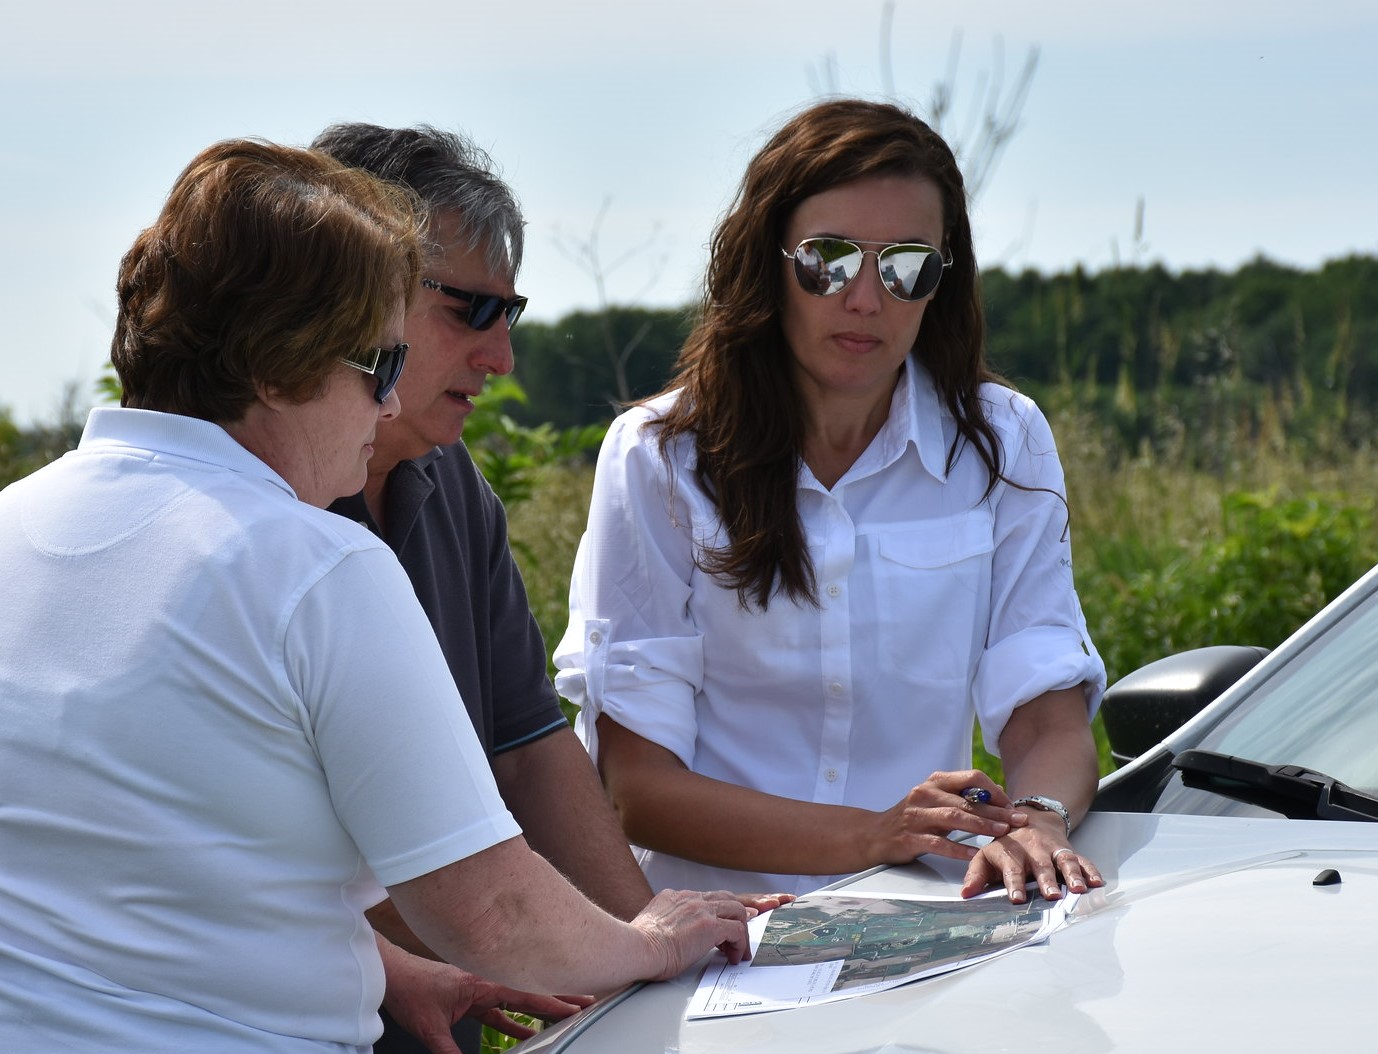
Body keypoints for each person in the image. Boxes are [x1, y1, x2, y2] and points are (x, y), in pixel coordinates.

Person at [0, 139, 751, 1053]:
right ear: (278, 365)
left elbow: (135, 861)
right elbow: (491, 913)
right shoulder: (316, 563)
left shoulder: (16, 525)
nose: (390, 410)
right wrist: (651, 945)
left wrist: (384, 972)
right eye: (379, 369)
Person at [554, 99, 1109, 902]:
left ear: (940, 284)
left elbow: (1046, 713)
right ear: (767, 264)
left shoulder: (1003, 440)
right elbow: (633, 788)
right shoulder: (660, 455)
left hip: (923, 919)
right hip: (717, 936)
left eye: (906, 266)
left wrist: (1039, 819)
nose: (865, 300)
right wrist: (872, 835)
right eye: (829, 260)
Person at [307, 123, 672, 1054]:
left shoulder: (449, 477)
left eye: (509, 314)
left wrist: (647, 954)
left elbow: (527, 744)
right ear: (355, 284)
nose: (501, 356)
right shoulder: (265, 511)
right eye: (469, 310)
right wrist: (605, 951)